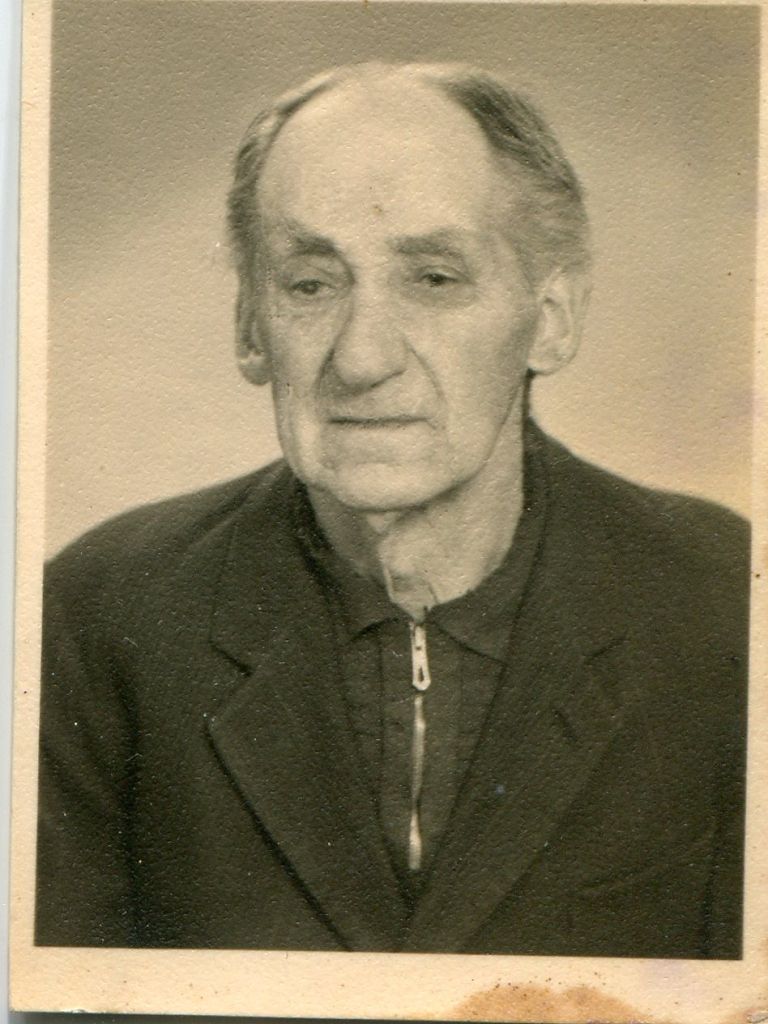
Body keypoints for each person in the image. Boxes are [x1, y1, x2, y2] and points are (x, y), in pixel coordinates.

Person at [35, 61, 749, 957]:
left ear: (551, 318)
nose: (363, 358)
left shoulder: (726, 602)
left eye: (434, 279)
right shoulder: (98, 615)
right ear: (250, 328)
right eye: (310, 284)